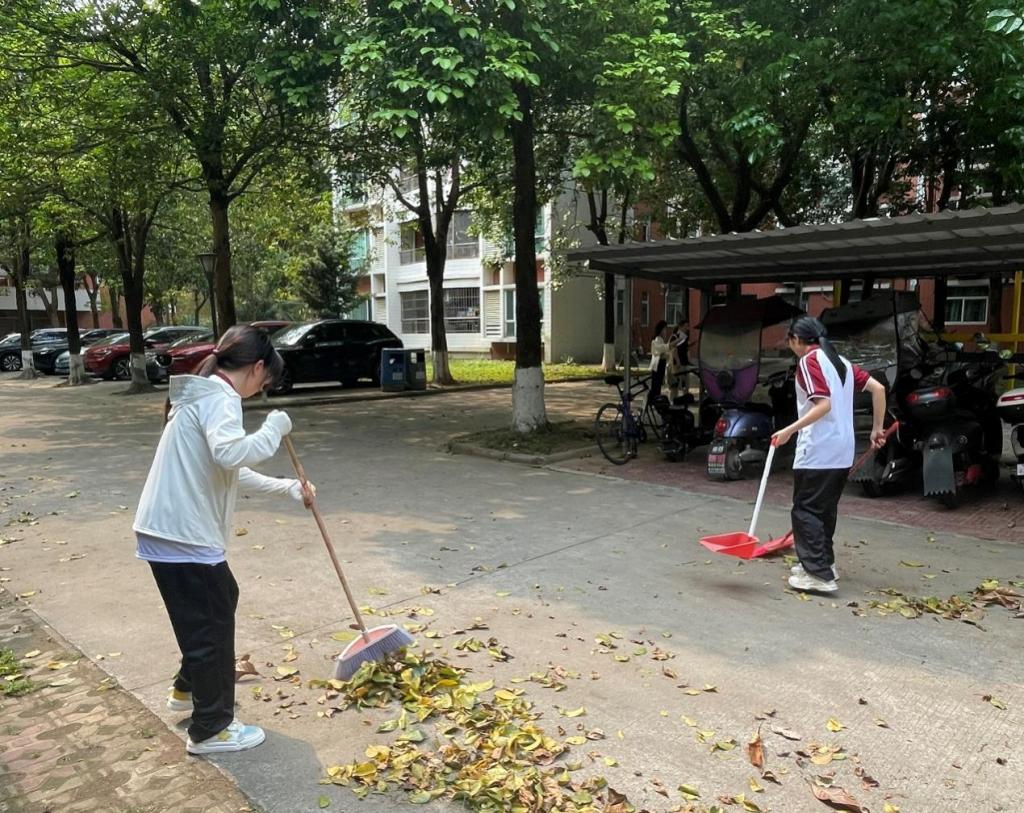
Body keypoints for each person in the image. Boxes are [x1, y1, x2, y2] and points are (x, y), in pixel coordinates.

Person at [133, 325, 315, 755]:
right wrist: (274, 427)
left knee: (219, 602)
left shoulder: (205, 396)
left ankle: (188, 688)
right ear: (257, 367)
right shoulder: (220, 397)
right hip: (182, 533)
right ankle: (212, 728)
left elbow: (228, 468)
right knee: (211, 627)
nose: (261, 390)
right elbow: (231, 453)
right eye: (265, 383)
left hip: (170, 530)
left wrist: (288, 488)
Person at [771, 316, 886, 594]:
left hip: (818, 449)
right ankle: (823, 563)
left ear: (797, 340)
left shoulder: (808, 361)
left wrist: (788, 430)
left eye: (789, 340)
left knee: (806, 509)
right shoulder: (841, 363)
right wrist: (877, 429)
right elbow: (879, 388)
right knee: (824, 509)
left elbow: (823, 405)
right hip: (843, 450)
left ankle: (818, 575)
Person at [668, 318, 691, 402]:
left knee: (686, 384)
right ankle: (673, 400)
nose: (687, 328)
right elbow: (673, 350)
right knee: (675, 385)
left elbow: (686, 349)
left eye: (688, 326)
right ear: (680, 326)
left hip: (684, 363)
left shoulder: (685, 337)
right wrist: (677, 361)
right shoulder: (675, 336)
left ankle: (685, 399)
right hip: (677, 364)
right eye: (686, 326)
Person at [648, 320, 670, 402]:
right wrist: (669, 346)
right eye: (664, 329)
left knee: (657, 386)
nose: (665, 332)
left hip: (659, 366)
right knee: (656, 386)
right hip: (658, 366)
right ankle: (654, 401)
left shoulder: (661, 340)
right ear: (660, 330)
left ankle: (654, 400)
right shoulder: (658, 339)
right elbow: (661, 349)